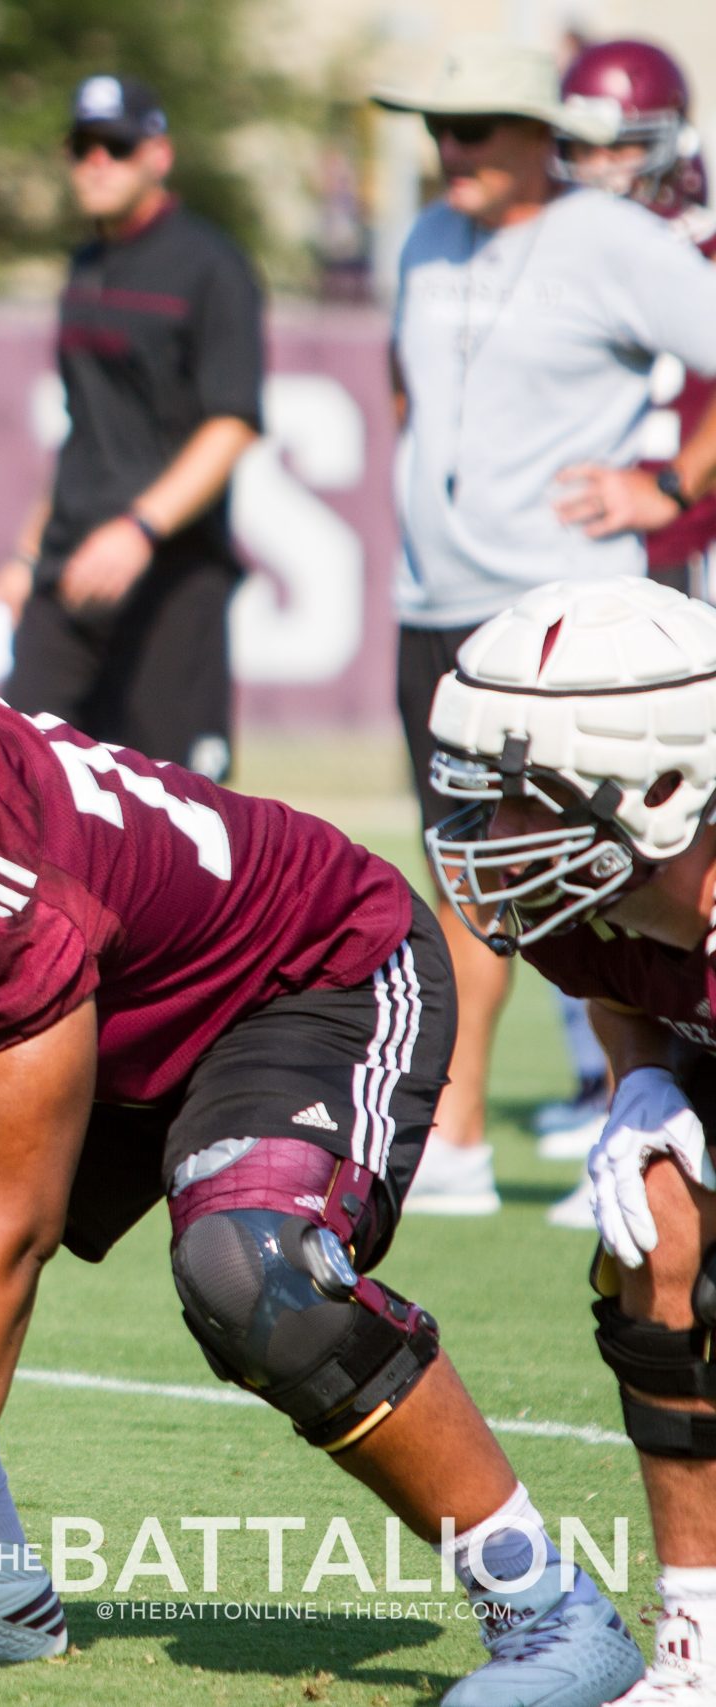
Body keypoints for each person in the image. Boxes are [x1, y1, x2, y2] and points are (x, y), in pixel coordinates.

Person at [0, 534, 643, 1704]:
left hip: (308, 985)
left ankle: (550, 1616)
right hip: (110, 1003)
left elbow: (0, 1242)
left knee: (258, 1272)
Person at [372, 36, 716, 1217]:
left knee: (594, 861)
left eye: (471, 130)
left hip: (560, 620)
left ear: (540, 133)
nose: (448, 151)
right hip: (434, 601)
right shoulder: (423, 238)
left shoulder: (615, 239)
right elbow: (409, 382)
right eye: (436, 130)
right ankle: (464, 1138)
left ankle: (632, 1106)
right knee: (461, 867)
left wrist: (668, 486)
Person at [425, 576, 716, 1704]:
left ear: (660, 786)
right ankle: (697, 1641)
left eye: (530, 800)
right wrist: (642, 1078)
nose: (495, 840)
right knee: (655, 1232)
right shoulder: (589, 901)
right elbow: (617, 978)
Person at [534, 40, 716, 1217]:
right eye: (581, 146)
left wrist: (673, 488)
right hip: (624, 577)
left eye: (617, 145)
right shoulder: (560, 251)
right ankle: (628, 1079)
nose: (597, 170)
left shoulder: (685, 254)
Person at [0, 74, 264, 785]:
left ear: (158, 155)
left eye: (116, 145)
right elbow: (86, 426)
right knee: (22, 786)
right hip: (69, 569)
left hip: (169, 574)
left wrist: (139, 528)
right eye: (83, 146)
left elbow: (231, 423)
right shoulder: (86, 266)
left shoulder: (210, 266)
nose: (97, 162)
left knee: (176, 812)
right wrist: (24, 558)